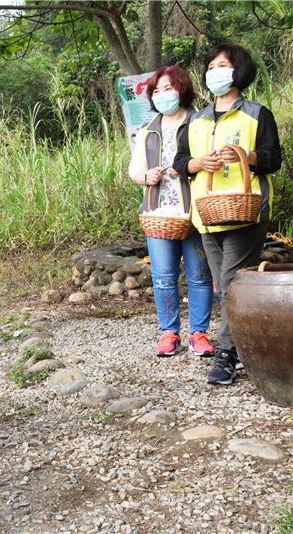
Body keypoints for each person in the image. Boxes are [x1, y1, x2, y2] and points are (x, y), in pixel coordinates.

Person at [173, 44, 282, 385]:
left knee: (233, 284)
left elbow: (272, 158)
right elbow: (180, 162)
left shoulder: (256, 114)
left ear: (239, 71)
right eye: (211, 66)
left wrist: (245, 157)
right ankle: (247, 345)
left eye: (223, 65)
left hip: (246, 211)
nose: (214, 71)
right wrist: (196, 163)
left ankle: (226, 356)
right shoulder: (196, 120)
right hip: (208, 212)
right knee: (227, 287)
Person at [128, 66, 214, 358]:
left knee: (200, 275)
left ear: (182, 89)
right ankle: (169, 333)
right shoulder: (149, 130)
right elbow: (134, 169)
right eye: (157, 90)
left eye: (169, 88)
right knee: (163, 276)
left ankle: (199, 333)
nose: (162, 95)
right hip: (159, 214)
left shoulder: (200, 122)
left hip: (196, 211)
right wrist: (146, 176)